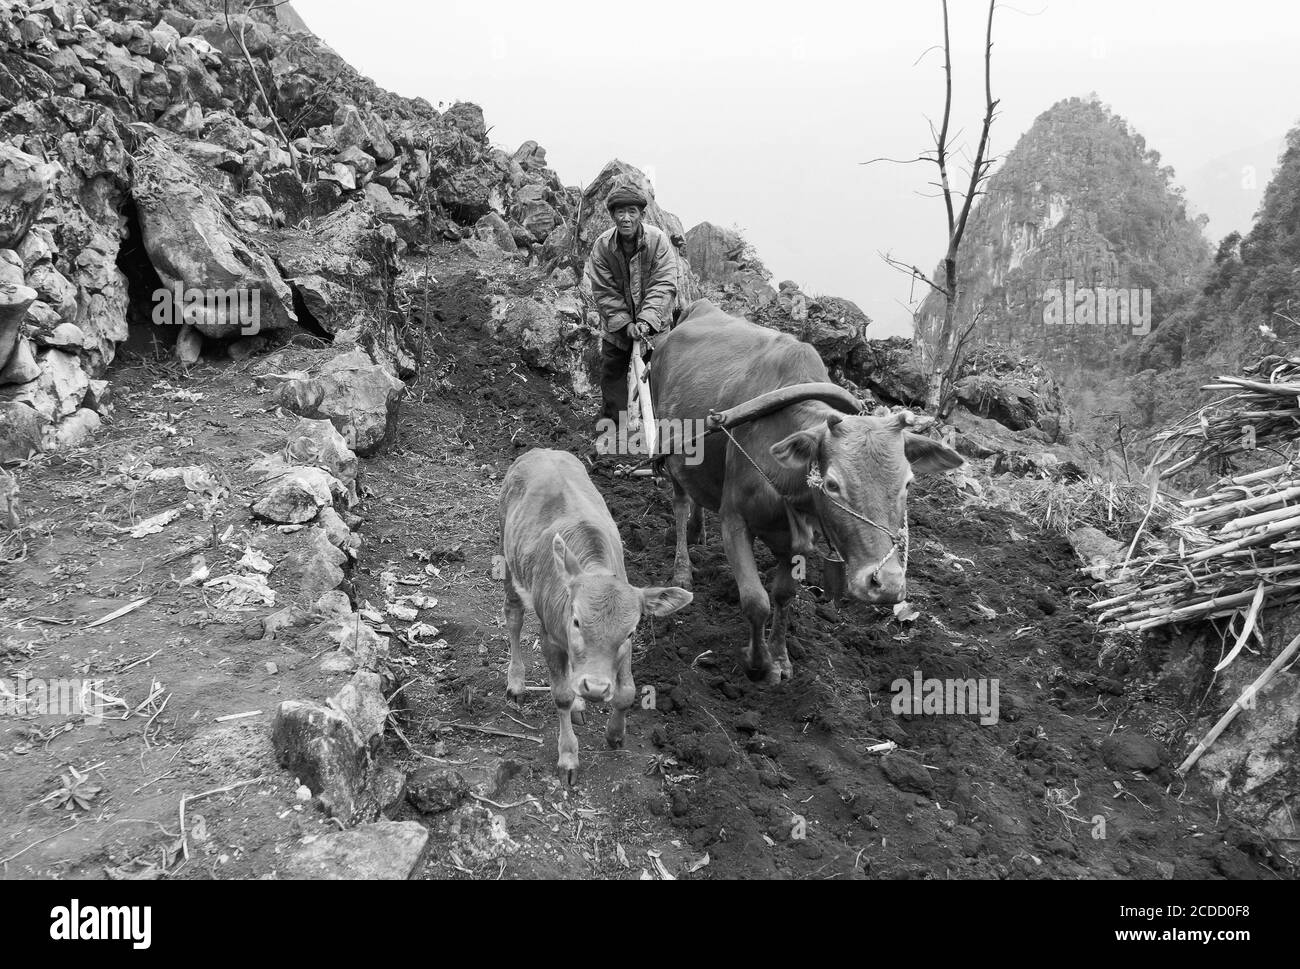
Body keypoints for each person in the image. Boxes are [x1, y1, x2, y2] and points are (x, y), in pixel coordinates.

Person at [587, 181, 681, 423]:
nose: (626, 218)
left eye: (632, 212)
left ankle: (660, 440)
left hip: (655, 328)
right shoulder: (602, 247)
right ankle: (612, 441)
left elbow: (663, 284)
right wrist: (626, 324)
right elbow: (604, 292)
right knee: (612, 379)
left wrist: (646, 321)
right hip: (618, 329)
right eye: (620, 212)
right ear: (612, 215)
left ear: (642, 215)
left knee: (659, 380)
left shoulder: (657, 241)